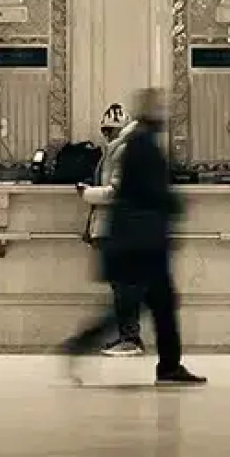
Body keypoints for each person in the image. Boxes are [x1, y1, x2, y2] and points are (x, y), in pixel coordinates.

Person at [61, 88, 207, 386]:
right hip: (144, 242)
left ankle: (163, 363)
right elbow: (144, 192)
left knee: (144, 302)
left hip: (136, 240)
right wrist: (174, 205)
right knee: (151, 303)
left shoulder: (135, 144)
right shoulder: (140, 145)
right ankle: (165, 365)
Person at [81, 102, 144, 356]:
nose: (106, 134)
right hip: (116, 227)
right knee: (122, 286)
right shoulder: (116, 150)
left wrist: (88, 194)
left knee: (124, 286)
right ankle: (127, 336)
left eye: (109, 130)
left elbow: (118, 192)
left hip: (119, 227)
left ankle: (130, 338)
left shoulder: (121, 152)